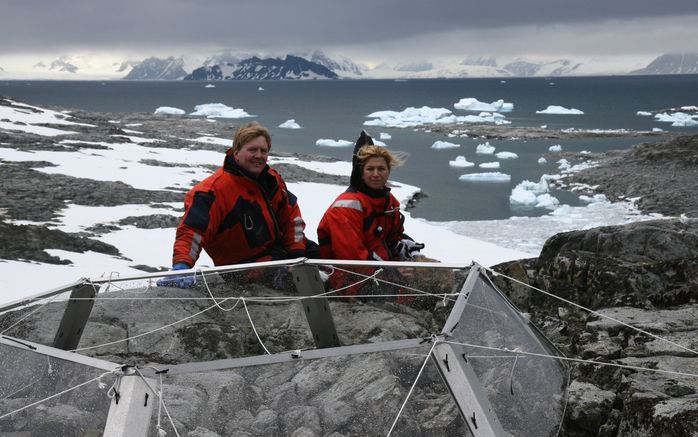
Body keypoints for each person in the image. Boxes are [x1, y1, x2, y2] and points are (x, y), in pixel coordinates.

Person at [159, 122, 310, 288]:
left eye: (263, 151)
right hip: (243, 267)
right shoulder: (212, 191)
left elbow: (291, 217)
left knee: (325, 260)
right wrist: (182, 265)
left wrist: (298, 253)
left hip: (279, 250)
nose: (259, 155)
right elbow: (192, 231)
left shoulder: (271, 180)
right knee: (295, 281)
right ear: (236, 153)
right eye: (252, 150)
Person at [317, 131, 425, 300]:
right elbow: (353, 258)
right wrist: (394, 271)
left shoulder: (389, 202)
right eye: (370, 169)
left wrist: (408, 253)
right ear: (361, 172)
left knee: (433, 279)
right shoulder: (346, 207)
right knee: (415, 298)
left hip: (380, 274)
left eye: (381, 168)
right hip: (351, 283)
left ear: (388, 171)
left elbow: (393, 238)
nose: (376, 174)